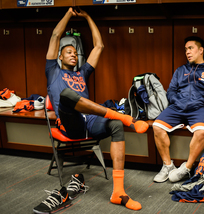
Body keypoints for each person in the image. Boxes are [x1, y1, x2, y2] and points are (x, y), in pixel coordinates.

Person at [33, 7, 146, 213]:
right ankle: (122, 116)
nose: (74, 55)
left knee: (116, 126)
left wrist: (87, 17)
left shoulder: (82, 73)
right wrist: (69, 13)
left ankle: (118, 192)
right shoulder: (53, 71)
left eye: (75, 53)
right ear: (59, 57)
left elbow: (99, 45)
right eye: (69, 52)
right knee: (66, 95)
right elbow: (56, 35)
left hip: (90, 121)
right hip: (70, 123)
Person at [152, 36, 204, 183]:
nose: (187, 52)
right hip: (178, 107)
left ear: (201, 50)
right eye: (186, 49)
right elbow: (171, 90)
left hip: (200, 108)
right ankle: (167, 166)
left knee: (201, 132)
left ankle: (186, 168)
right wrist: (176, 100)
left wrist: (202, 101)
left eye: (190, 48)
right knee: (157, 126)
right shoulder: (181, 70)